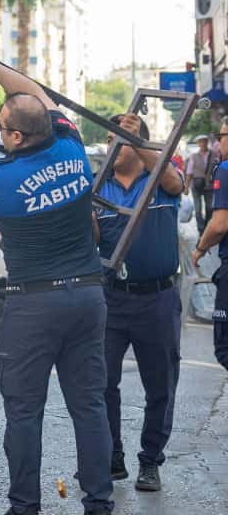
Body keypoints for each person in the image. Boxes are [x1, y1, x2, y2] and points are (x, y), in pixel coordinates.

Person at [0, 35, 114, 515]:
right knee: (89, 406)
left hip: (33, 304)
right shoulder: (72, 145)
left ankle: (25, 506)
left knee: (24, 411)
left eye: (2, 128)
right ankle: (99, 503)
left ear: (16, 138)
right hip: (86, 296)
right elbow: (37, 96)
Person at [94, 114, 184, 492]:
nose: (112, 145)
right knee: (102, 383)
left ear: (139, 144)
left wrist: (141, 142)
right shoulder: (100, 187)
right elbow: (92, 237)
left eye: (121, 139)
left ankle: (151, 462)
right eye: (110, 139)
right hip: (112, 299)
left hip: (158, 299)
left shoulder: (160, 181)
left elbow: (174, 182)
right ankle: (112, 457)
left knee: (160, 385)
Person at [192, 117, 228, 372]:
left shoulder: (225, 169)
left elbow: (219, 224)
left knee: (224, 347)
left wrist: (200, 249)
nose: (218, 143)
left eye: (222, 136)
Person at [186, 134, 216, 234]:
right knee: (198, 209)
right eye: (200, 142)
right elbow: (189, 172)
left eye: (204, 141)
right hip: (196, 185)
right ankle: (201, 230)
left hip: (209, 185)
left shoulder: (214, 155)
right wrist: (186, 187)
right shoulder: (193, 156)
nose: (202, 143)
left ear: (207, 142)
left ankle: (207, 226)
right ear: (198, 144)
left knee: (209, 208)